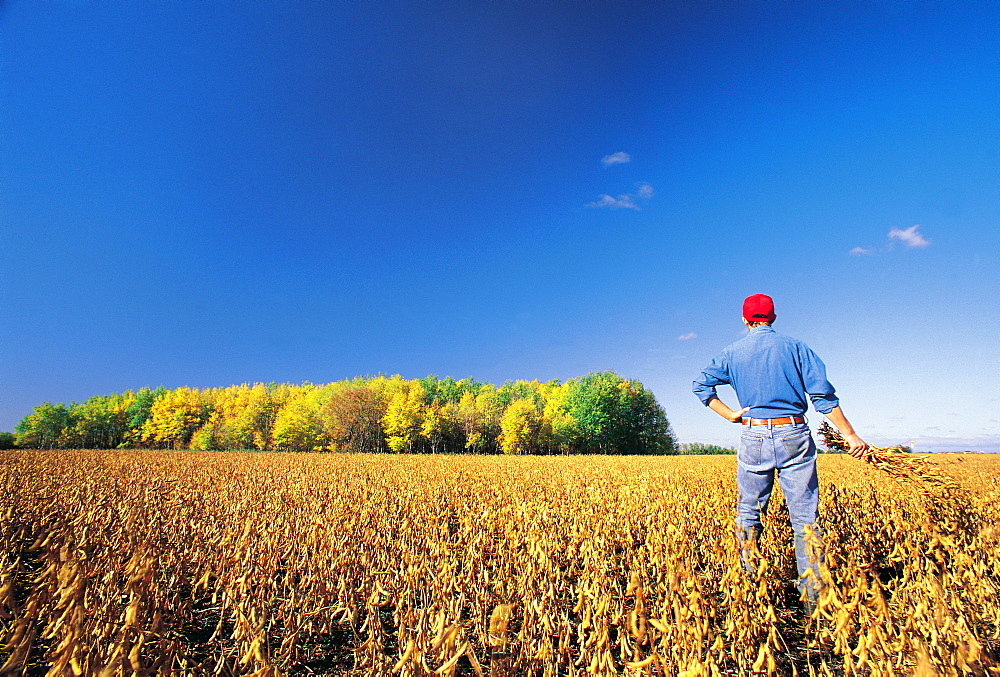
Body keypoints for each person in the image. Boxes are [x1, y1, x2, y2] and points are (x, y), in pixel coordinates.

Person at [692, 293, 868, 605]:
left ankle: (748, 594)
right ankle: (814, 602)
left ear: (745, 320)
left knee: (749, 512)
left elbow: (701, 385)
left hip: (753, 434)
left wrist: (730, 413)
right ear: (773, 318)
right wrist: (851, 435)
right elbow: (823, 397)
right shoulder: (797, 348)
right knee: (806, 517)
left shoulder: (732, 352)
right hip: (794, 433)